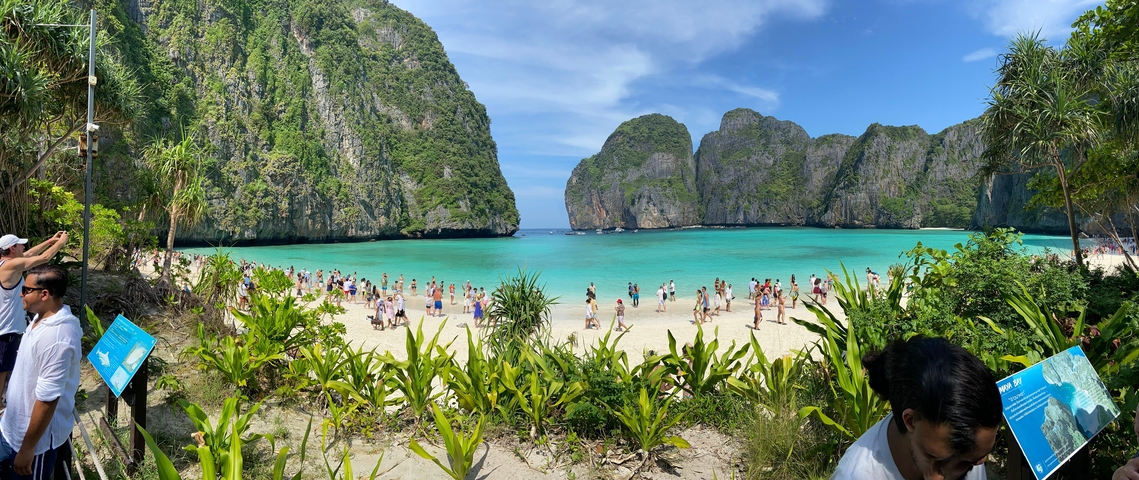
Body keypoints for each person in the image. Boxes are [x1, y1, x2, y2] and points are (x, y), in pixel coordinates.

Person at [832, 336, 1003, 480]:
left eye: (970, 463)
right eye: (933, 458)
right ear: (911, 421)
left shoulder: (968, 443)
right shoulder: (857, 475)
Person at [0, 265, 81, 479]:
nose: (21, 293)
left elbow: (47, 398)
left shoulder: (57, 336)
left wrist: (28, 449)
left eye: (26, 289)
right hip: (12, 428)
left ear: (44, 294)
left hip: (35, 443)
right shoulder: (40, 318)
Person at [0, 232, 68, 406]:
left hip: (5, 329)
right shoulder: (10, 267)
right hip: (5, 331)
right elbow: (44, 258)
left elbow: (29, 255)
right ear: (12, 248)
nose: (24, 247)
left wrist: (50, 240)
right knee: (2, 372)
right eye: (21, 245)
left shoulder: (6, 263)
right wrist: (61, 243)